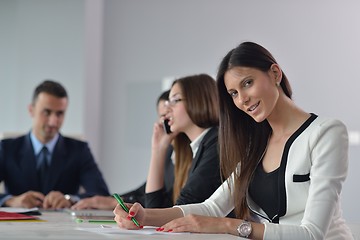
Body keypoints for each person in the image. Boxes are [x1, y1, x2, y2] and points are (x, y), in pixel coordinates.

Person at [113, 42, 353, 239]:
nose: (242, 100)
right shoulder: (255, 142)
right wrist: (145, 217)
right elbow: (212, 207)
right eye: (234, 94)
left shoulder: (326, 133)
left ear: (275, 74)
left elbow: (311, 234)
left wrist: (227, 226)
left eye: (247, 83)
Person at [0, 80, 110, 209]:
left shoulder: (79, 150)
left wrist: (70, 199)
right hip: (17, 226)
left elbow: (101, 195)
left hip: (64, 226)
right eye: (47, 112)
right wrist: (11, 201)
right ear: (31, 110)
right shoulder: (7, 149)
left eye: (60, 113)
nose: (53, 122)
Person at [71, 90, 174, 210]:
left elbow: (160, 203)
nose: (165, 122)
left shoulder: (182, 154)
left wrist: (113, 202)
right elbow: (144, 191)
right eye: (162, 116)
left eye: (169, 115)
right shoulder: (169, 152)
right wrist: (112, 200)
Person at [145, 74, 222, 208]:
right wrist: (158, 150)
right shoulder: (193, 149)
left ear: (197, 101)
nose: (167, 109)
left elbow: (184, 207)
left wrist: (146, 215)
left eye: (175, 100)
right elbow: (156, 206)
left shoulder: (217, 143)